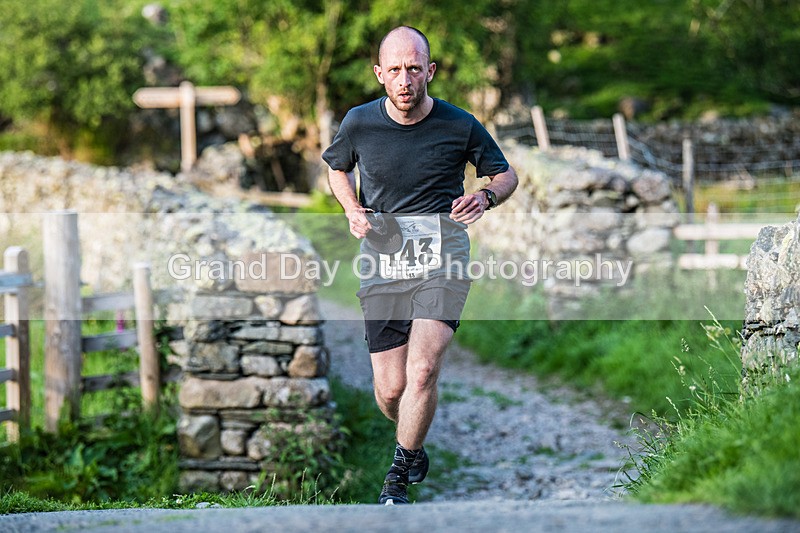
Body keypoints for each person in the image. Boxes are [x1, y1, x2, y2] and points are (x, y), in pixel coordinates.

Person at [322, 25, 518, 505]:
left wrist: (486, 196)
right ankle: (413, 440)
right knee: (391, 390)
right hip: (383, 261)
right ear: (379, 75)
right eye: (395, 70)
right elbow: (336, 167)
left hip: (443, 257)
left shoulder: (459, 123)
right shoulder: (359, 122)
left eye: (414, 68)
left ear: (429, 70)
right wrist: (351, 208)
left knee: (423, 369)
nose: (405, 79)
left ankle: (396, 478)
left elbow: (506, 173)